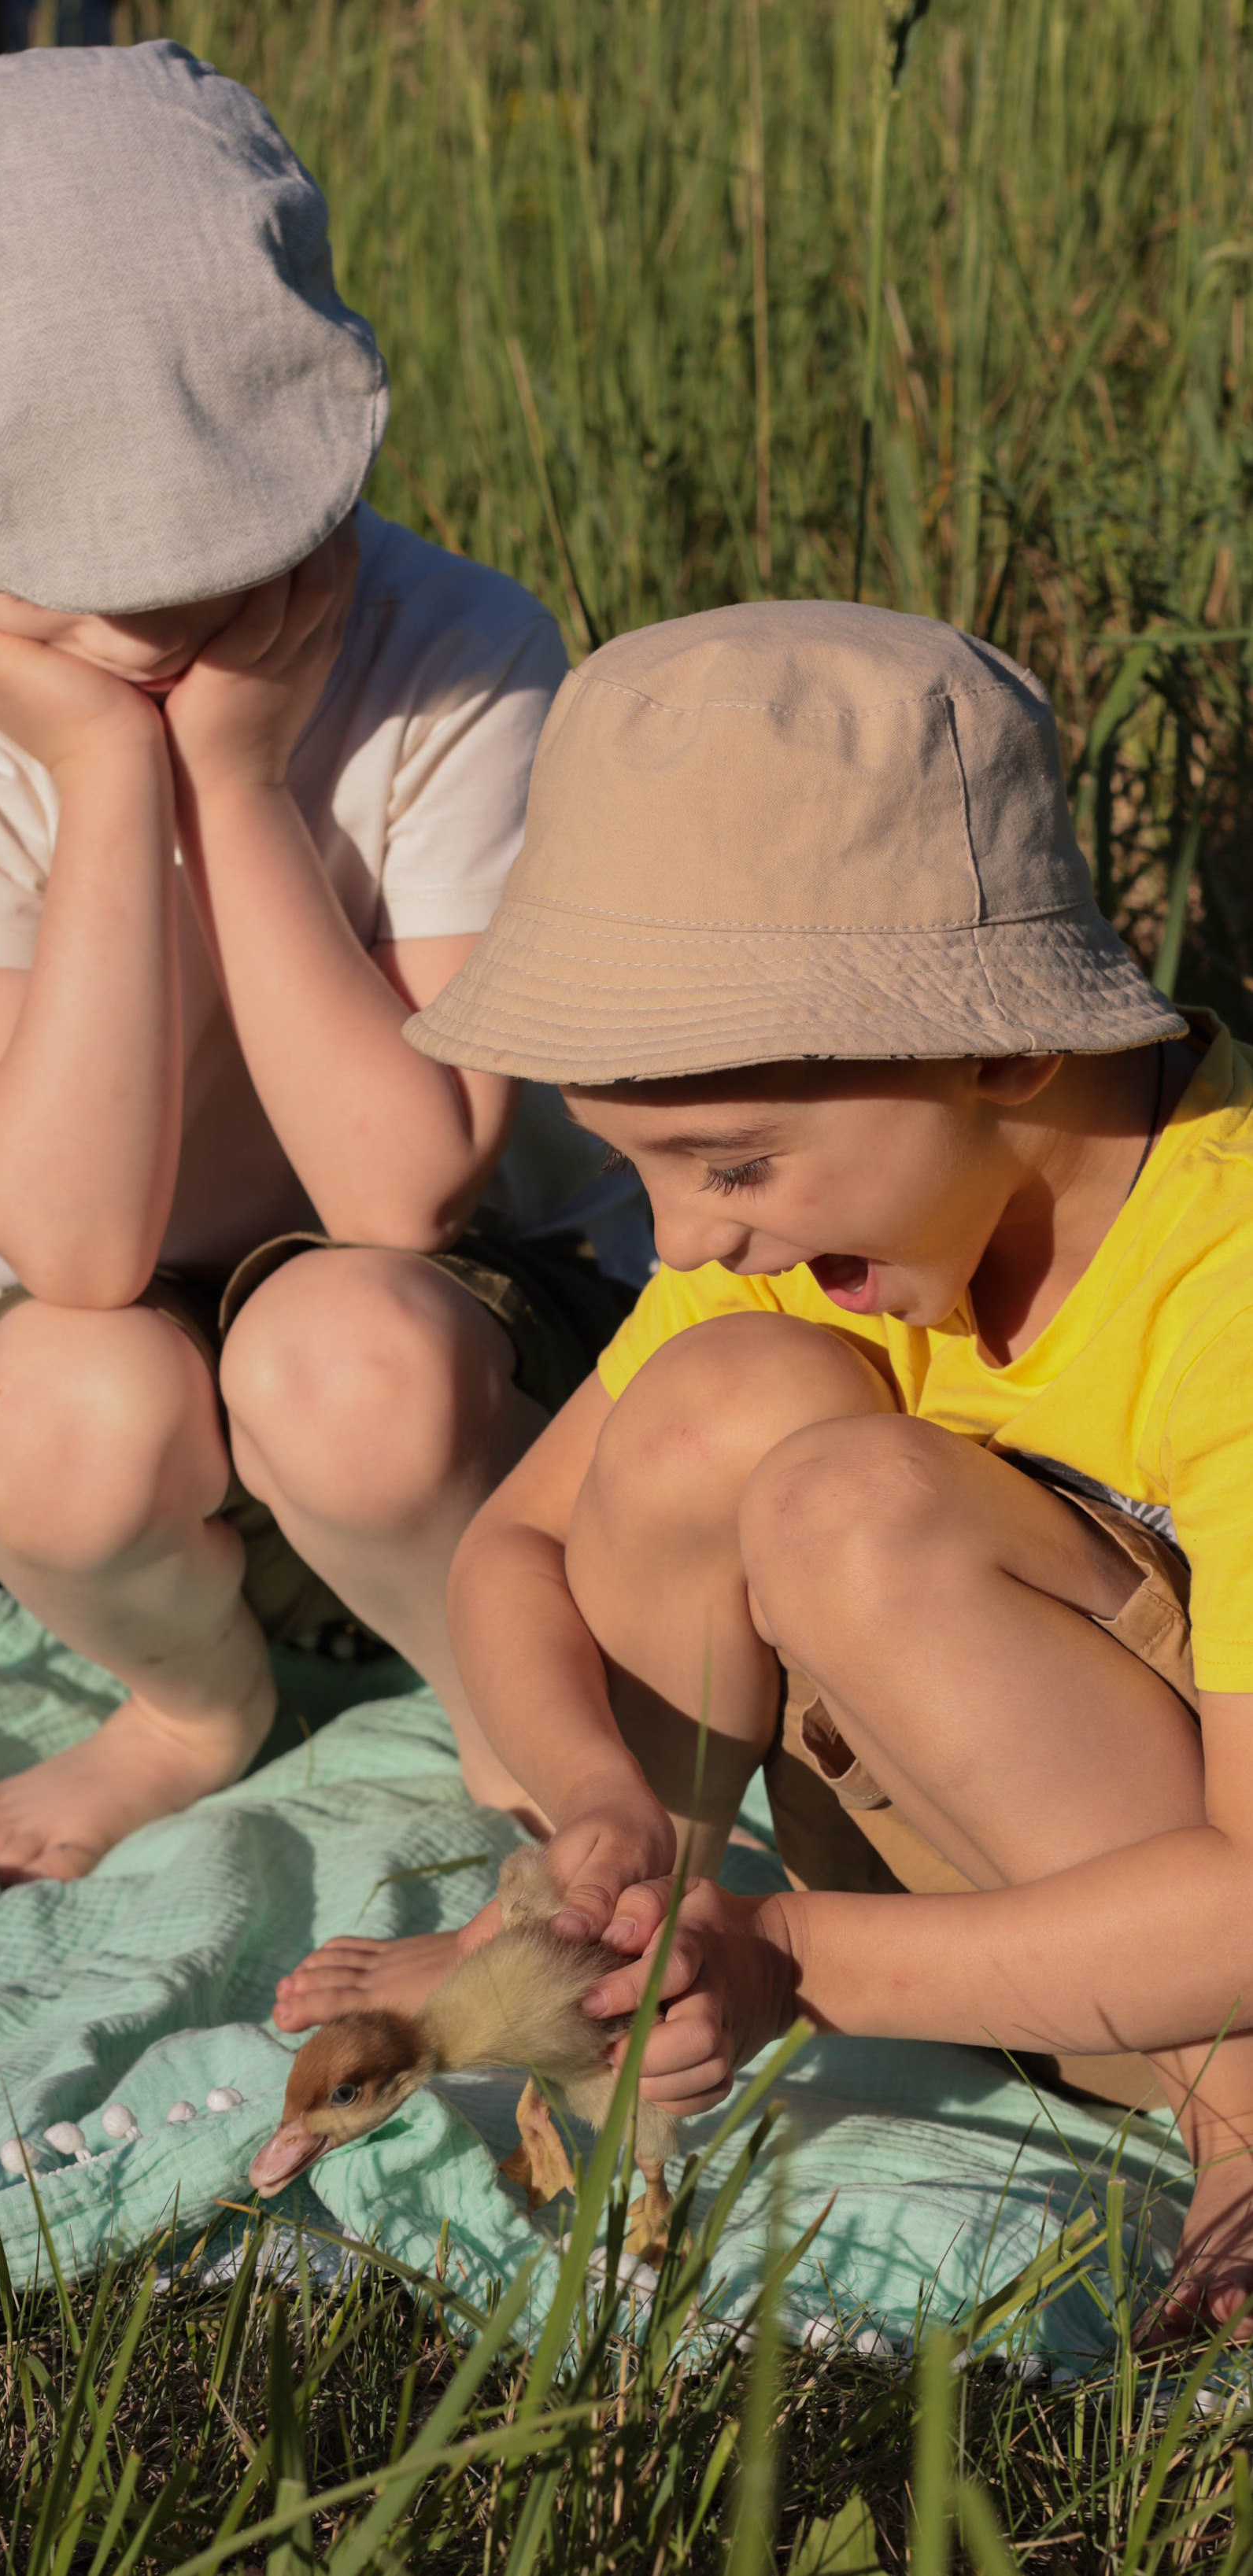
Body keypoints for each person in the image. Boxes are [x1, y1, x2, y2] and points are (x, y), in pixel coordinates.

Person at [281, 600, 1253, 2332]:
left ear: (1005, 1051)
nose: (684, 1234)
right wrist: (600, 1808)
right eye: (643, 1166)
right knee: (722, 1399)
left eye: (729, 1162)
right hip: (947, 1890)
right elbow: (517, 1546)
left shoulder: (1228, 1280)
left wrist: (796, 1960)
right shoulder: (821, 1225)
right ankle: (610, 1950)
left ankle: (1233, 2113)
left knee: (843, 1507)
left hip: (1207, 1944)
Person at [0, 39, 648, 1884]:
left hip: (463, 1330)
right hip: (129, 1309)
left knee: (344, 1356)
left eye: (201, 545)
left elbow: (400, 1190)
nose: (136, 620)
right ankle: (198, 1699)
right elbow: (71, 1252)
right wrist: (114, 779)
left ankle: (511, 1697)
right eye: (70, 560)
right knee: (55, 1414)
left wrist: (237, 772)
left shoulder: (458, 659)